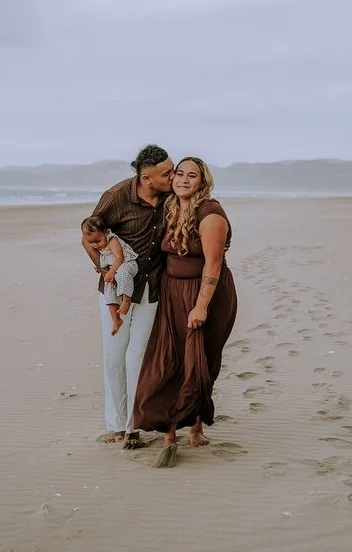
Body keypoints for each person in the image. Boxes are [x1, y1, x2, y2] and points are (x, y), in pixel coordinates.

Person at [133, 156, 238, 467]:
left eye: (191, 176)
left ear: (202, 182)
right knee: (169, 357)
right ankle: (169, 430)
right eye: (179, 174)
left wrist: (201, 305)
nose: (182, 180)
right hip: (172, 291)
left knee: (200, 358)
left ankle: (195, 425)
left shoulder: (211, 215)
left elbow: (214, 264)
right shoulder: (170, 207)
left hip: (205, 293)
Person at [82, 144, 173, 450]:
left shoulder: (170, 197)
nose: (172, 177)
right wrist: (101, 267)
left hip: (151, 286)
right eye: (166, 173)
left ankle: (133, 425)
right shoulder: (117, 196)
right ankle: (115, 424)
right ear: (147, 178)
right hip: (117, 287)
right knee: (114, 354)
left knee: (139, 355)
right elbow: (89, 234)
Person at [81, 215, 139, 336]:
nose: (95, 245)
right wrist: (101, 268)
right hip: (115, 269)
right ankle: (116, 320)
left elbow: (119, 257)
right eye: (91, 242)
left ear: (106, 232)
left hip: (128, 264)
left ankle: (126, 300)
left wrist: (111, 272)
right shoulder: (100, 245)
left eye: (97, 241)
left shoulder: (112, 240)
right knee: (109, 288)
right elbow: (107, 259)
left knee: (122, 273)